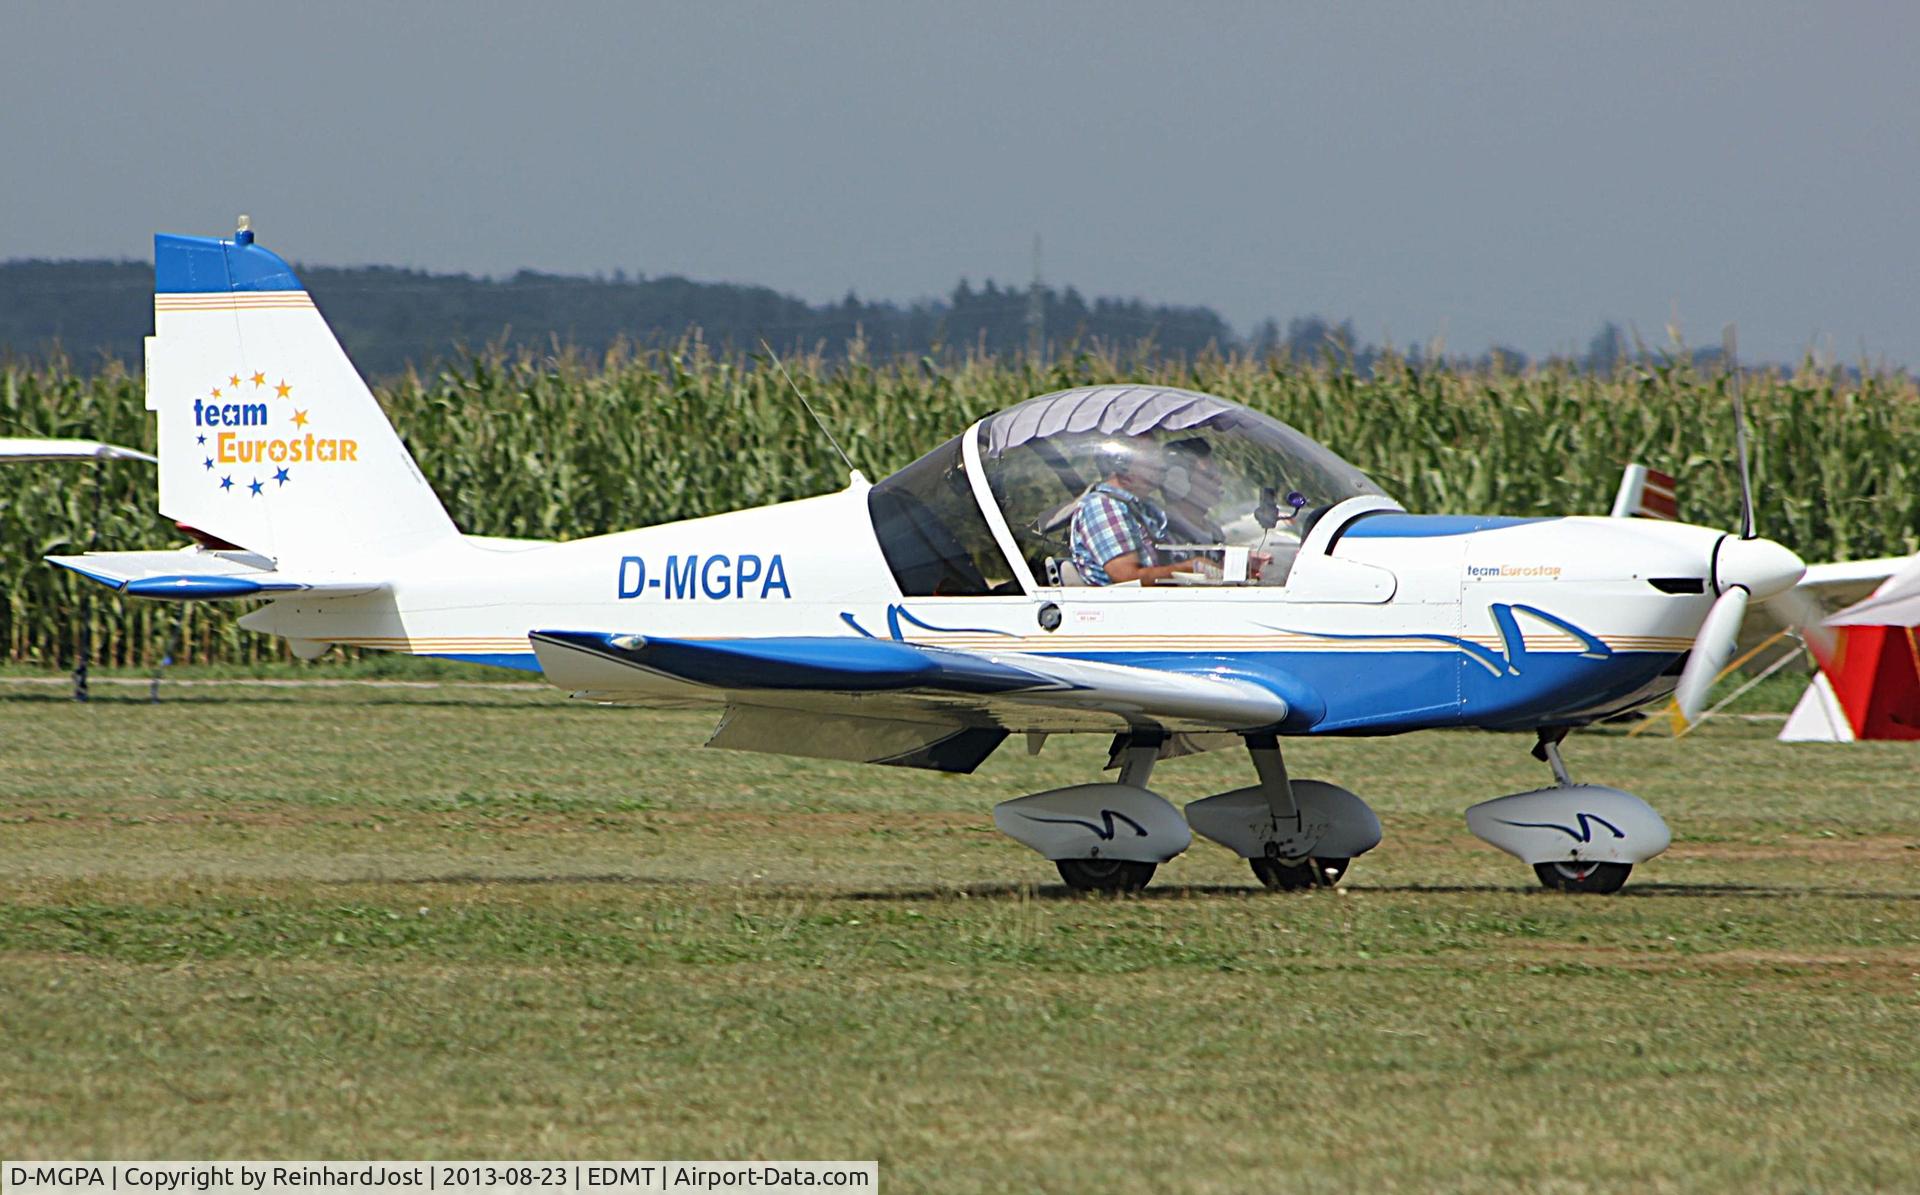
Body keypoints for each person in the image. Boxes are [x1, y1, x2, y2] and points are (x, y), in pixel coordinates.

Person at [1068, 440, 1196, 586]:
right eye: (1151, 456)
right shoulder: (1103, 505)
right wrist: (1188, 569)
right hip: (1127, 605)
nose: (1162, 465)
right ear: (1121, 464)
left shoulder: (1146, 507)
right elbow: (1127, 577)